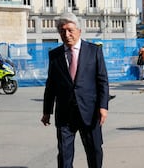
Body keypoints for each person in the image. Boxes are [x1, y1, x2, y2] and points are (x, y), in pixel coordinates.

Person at [41, 12, 109, 168]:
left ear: (79, 31)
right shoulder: (55, 55)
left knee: (95, 151)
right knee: (64, 155)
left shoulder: (94, 51)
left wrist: (103, 107)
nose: (66, 34)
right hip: (65, 114)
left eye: (70, 30)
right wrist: (47, 111)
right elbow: (51, 85)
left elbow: (102, 81)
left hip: (90, 112)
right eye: (62, 31)